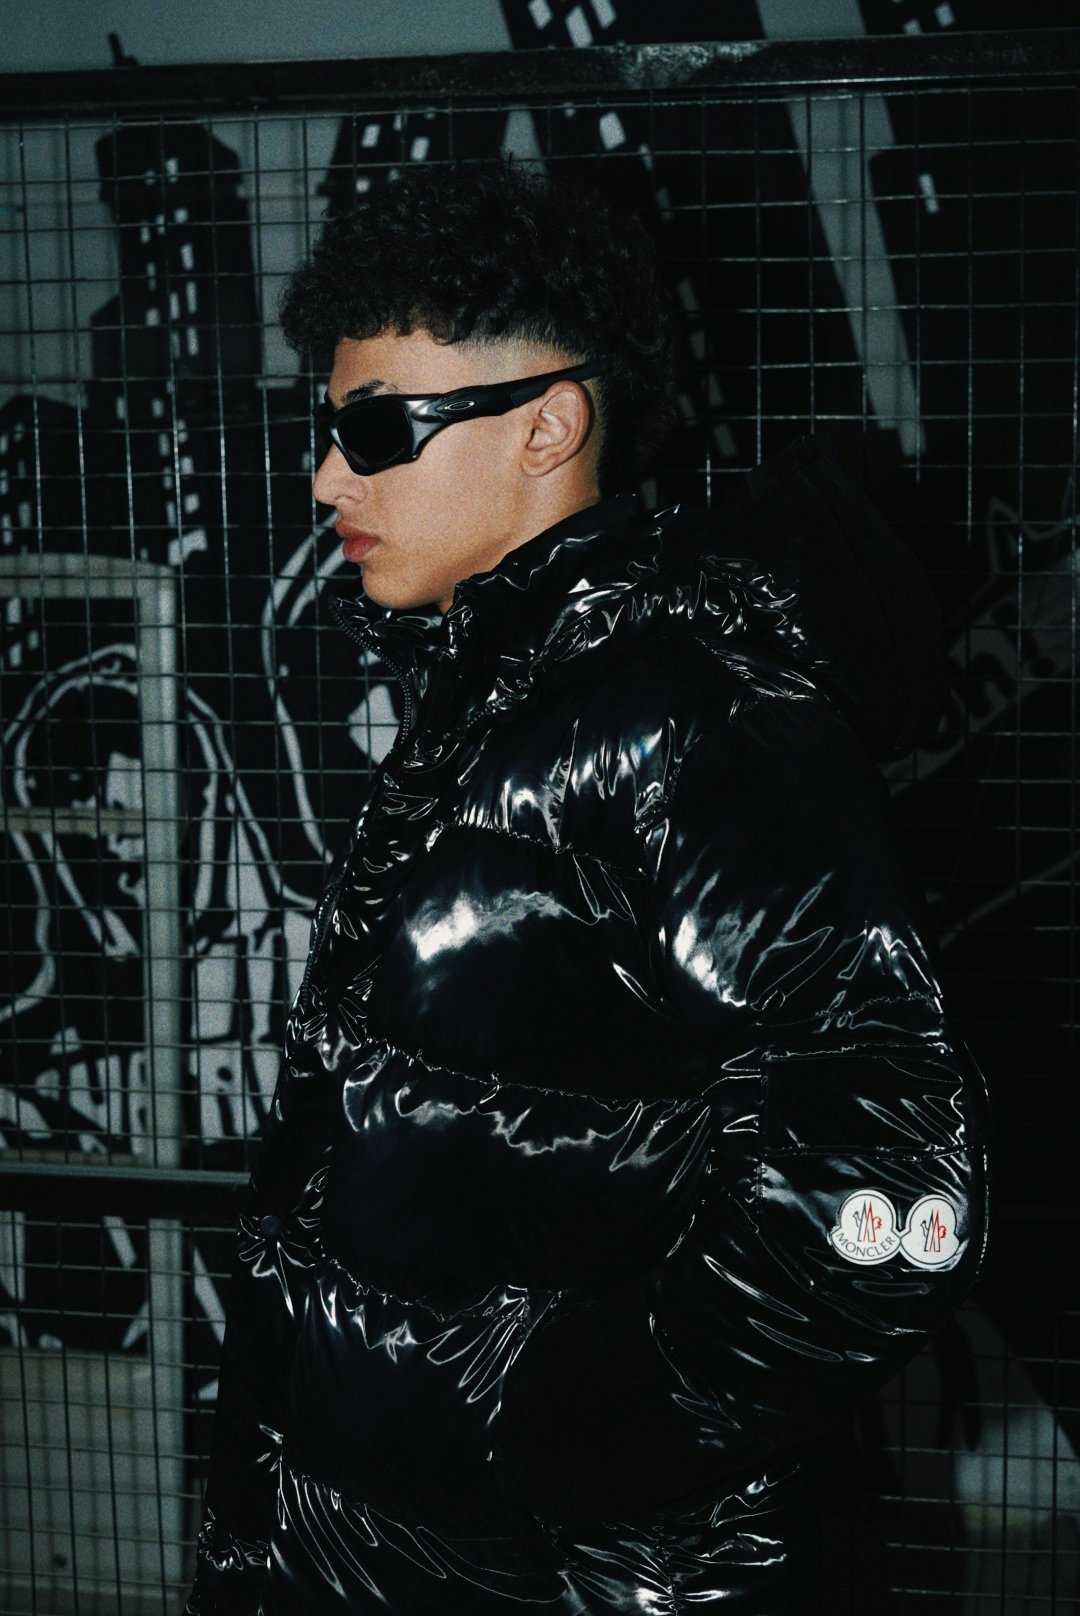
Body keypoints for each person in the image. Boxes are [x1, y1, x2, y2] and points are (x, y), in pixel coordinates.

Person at [186, 160, 988, 1615]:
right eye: (329, 431)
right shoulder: (507, 700)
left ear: (549, 425)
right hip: (379, 1551)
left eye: (376, 429)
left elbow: (885, 1183)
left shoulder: (691, 722)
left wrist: (571, 1433)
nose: (327, 480)